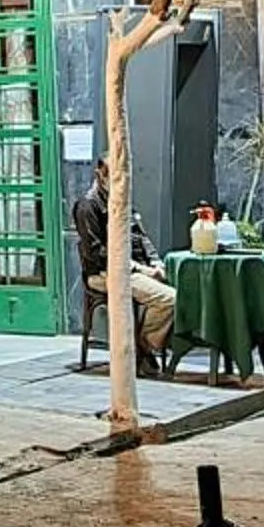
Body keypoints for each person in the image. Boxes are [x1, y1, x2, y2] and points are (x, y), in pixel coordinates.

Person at [74, 158, 175, 370]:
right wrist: (138, 268)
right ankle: (144, 347)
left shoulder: (121, 201)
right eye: (116, 176)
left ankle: (146, 344)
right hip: (105, 272)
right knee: (169, 299)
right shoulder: (88, 206)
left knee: (183, 290)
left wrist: (156, 263)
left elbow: (141, 237)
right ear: (100, 174)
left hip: (133, 268)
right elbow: (96, 253)